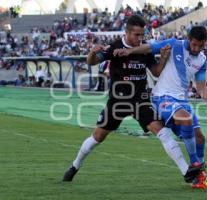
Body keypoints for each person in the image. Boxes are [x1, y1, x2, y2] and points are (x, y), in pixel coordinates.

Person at [62, 15, 200, 184]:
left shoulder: (144, 49)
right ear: (127, 33)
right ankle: (75, 165)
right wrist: (92, 52)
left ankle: (186, 171)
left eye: (142, 35)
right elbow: (91, 62)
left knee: (162, 131)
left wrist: (163, 58)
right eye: (137, 35)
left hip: (140, 99)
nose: (140, 38)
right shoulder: (114, 47)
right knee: (98, 137)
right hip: (118, 101)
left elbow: (155, 72)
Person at [113, 26, 207, 189]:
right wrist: (129, 52)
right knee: (185, 119)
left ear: (204, 43)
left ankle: (199, 175)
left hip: (182, 101)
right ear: (188, 39)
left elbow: (201, 87)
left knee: (200, 137)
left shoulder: (201, 60)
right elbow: (150, 47)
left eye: (200, 46)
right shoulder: (175, 44)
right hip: (163, 97)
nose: (196, 49)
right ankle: (194, 163)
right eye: (193, 45)